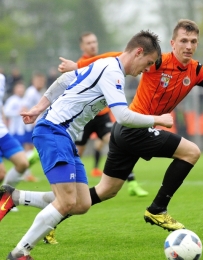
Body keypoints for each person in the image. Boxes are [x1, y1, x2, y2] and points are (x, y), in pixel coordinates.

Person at [57, 19, 203, 232]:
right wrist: (78, 65)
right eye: (184, 41)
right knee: (191, 152)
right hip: (134, 128)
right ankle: (157, 209)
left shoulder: (197, 70)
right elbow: (117, 56)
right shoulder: (158, 61)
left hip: (123, 130)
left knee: (106, 190)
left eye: (193, 41)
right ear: (173, 43)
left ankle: (56, 215)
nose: (189, 46)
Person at [1, 30, 173, 260]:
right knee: (66, 201)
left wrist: (37, 108)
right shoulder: (113, 72)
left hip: (62, 135)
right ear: (138, 52)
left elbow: (65, 79)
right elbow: (122, 116)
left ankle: (14, 197)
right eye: (148, 62)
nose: (147, 69)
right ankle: (20, 253)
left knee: (81, 203)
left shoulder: (106, 64)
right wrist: (159, 119)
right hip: (53, 130)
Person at [76, 31, 148, 196]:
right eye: (88, 43)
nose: (93, 45)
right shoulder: (79, 66)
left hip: (103, 117)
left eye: (94, 42)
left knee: (118, 142)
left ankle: (132, 184)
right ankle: (72, 186)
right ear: (82, 46)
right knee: (77, 153)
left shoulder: (105, 61)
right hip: (85, 117)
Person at [0, 74, 29, 186]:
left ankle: (4, 195)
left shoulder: (2, 78)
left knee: (23, 163)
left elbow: (1, 105)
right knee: (1, 174)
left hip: (3, 133)